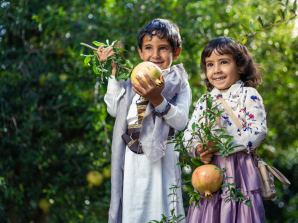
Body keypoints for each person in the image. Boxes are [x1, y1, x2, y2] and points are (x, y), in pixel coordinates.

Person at [99, 19, 191, 223]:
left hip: (163, 157)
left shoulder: (179, 82)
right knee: (134, 210)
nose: (155, 55)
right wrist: (113, 72)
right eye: (148, 48)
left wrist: (158, 100)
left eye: (163, 48)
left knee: (163, 208)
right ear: (140, 52)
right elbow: (114, 109)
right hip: (132, 157)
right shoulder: (134, 80)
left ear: (176, 53)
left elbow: (181, 122)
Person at [184, 37, 267, 223]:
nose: (217, 70)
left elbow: (258, 132)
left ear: (240, 66)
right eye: (210, 64)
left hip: (240, 170)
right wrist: (199, 149)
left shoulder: (248, 95)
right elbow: (189, 136)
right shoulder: (204, 101)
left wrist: (222, 145)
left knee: (240, 212)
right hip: (210, 174)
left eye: (224, 62)